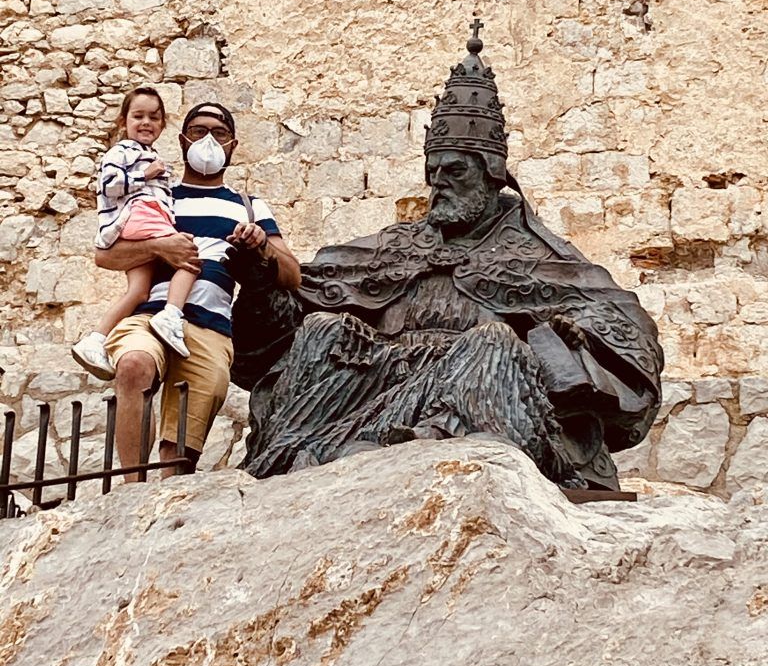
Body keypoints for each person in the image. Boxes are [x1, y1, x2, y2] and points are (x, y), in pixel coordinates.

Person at [234, 26, 663, 490]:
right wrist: (261, 280)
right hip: (375, 386)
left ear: (491, 174)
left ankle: (440, 439)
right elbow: (281, 332)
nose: (440, 183)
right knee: (323, 330)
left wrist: (574, 334)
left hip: (479, 388)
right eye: (433, 172)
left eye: (455, 170)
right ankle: (306, 448)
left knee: (493, 343)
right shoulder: (390, 247)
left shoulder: (545, 258)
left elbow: (625, 337)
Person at [94, 102, 301, 478]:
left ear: (233, 145)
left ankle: (167, 497)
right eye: (199, 130)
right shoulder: (159, 195)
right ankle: (131, 494)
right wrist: (158, 248)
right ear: (182, 139)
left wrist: (261, 245)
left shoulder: (249, 207)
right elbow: (105, 255)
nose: (208, 140)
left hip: (211, 327)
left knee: (181, 452)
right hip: (151, 315)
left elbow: (292, 274)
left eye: (218, 133)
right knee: (134, 365)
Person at [72, 87, 198, 381]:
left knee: (139, 291)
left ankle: (96, 339)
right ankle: (170, 316)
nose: (146, 123)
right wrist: (147, 175)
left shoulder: (147, 153)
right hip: (142, 214)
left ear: (162, 124)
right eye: (138, 116)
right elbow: (109, 185)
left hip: (142, 219)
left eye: (154, 117)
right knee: (188, 256)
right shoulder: (122, 151)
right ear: (123, 121)